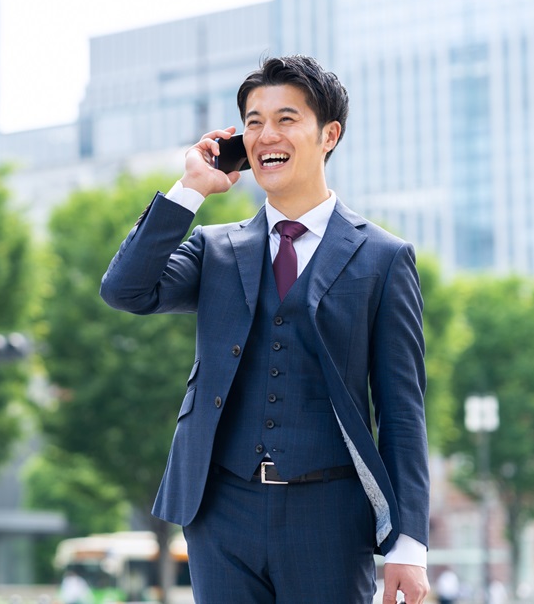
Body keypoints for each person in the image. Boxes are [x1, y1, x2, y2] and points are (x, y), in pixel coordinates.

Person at [100, 55, 430, 603]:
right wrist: (191, 189)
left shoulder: (383, 258)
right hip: (220, 511)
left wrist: (409, 545)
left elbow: (402, 409)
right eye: (252, 122)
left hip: (329, 515)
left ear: (329, 134)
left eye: (285, 119)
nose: (264, 135)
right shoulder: (216, 249)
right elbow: (126, 289)